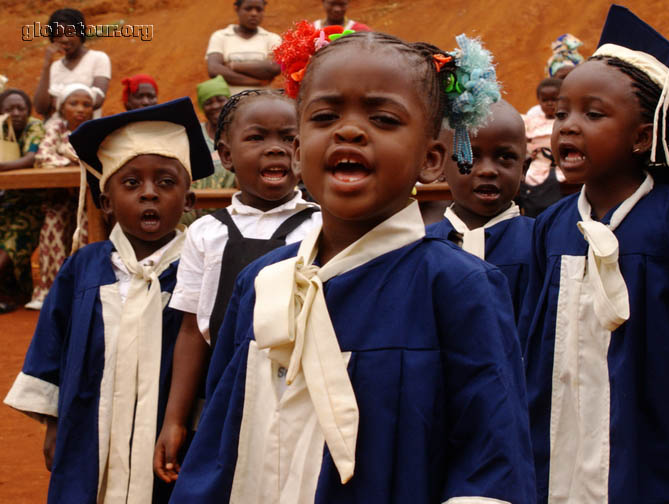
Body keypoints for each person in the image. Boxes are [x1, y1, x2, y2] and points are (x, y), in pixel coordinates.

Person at [169, 25, 535, 503]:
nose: (348, 130)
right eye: (324, 116)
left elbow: (491, 461)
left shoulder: (458, 286)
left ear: (431, 159)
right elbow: (222, 444)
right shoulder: (263, 283)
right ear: (299, 152)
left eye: (383, 118)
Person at [519, 6, 669, 502]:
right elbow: (532, 333)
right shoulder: (551, 227)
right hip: (559, 421)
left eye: (593, 114)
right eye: (561, 113)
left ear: (642, 137)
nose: (568, 127)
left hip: (650, 425)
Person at [3, 97, 214, 503]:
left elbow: (209, 354)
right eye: (131, 183)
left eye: (167, 183)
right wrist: (53, 425)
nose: (149, 194)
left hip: (169, 434)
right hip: (86, 430)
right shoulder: (83, 267)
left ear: (189, 201)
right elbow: (51, 346)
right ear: (106, 202)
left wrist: (195, 424)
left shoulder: (199, 271)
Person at [154, 89, 321, 483]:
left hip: (299, 390)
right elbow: (193, 330)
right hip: (223, 389)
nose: (276, 149)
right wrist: (175, 419)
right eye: (257, 137)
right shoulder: (205, 232)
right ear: (226, 156)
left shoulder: (321, 225)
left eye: (289, 138)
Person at [427, 100, 532, 322]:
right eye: (468, 157)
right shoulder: (419, 246)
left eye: (505, 157)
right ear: (440, 165)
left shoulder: (541, 243)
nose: (487, 170)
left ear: (524, 167)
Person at [26, 83, 96, 310]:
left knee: (86, 227)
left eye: (86, 104)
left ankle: (82, 289)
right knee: (52, 226)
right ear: (62, 107)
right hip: (59, 197)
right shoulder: (55, 128)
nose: (80, 109)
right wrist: (72, 163)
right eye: (73, 103)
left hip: (89, 201)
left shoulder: (95, 129)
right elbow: (42, 158)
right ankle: (48, 291)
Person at [0, 89, 46, 312]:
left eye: (21, 108)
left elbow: (30, 159)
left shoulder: (34, 126)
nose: (16, 113)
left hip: (33, 203)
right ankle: (11, 293)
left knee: (12, 243)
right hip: (6, 201)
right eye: (10, 109)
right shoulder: (0, 128)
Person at [33, 8, 110, 119]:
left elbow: (97, 100)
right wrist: (46, 66)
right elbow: (40, 108)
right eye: (58, 35)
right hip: (56, 133)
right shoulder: (53, 67)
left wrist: (57, 103)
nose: (64, 39)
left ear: (80, 32)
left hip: (85, 131)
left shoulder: (98, 59)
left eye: (70, 33)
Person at [180, 75, 237, 226]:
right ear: (201, 107)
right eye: (208, 102)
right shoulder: (194, 135)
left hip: (232, 212)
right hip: (196, 212)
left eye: (220, 99)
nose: (215, 106)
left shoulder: (239, 133)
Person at [205, 0, 281, 95]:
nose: (254, 13)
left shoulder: (272, 38)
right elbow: (214, 70)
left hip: (263, 102)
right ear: (237, 9)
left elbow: (275, 67)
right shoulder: (221, 36)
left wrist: (234, 66)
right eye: (248, 9)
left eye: (259, 10)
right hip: (230, 104)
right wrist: (257, 82)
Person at [518, 78, 566, 217]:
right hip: (539, 163)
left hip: (561, 163)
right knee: (528, 178)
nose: (550, 104)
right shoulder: (532, 121)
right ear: (539, 101)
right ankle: (535, 214)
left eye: (555, 99)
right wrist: (529, 152)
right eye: (545, 100)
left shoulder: (567, 120)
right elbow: (525, 141)